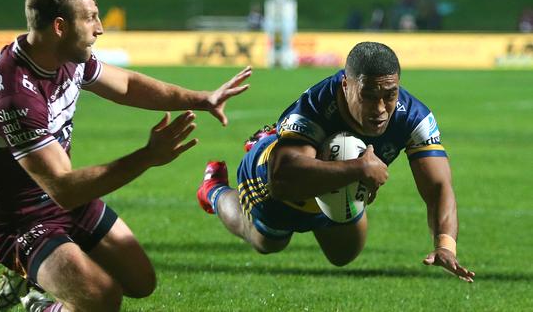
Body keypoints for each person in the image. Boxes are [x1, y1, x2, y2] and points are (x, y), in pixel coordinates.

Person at [0, 0, 252, 312]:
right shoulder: (15, 96)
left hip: (68, 204)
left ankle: (37, 279)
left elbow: (128, 85)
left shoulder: (63, 56)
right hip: (22, 222)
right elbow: (64, 187)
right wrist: (148, 156)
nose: (100, 28)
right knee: (103, 299)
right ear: (60, 27)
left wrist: (201, 98)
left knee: (141, 282)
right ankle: (39, 302)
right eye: (90, 18)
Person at [196, 42, 475, 283]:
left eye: (389, 95)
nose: (380, 108)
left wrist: (445, 245)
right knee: (266, 242)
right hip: (274, 181)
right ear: (346, 84)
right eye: (368, 95)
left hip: (336, 189)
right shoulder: (316, 105)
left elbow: (439, 186)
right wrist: (360, 168)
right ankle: (214, 187)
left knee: (344, 255)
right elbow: (282, 180)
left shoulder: (415, 117)